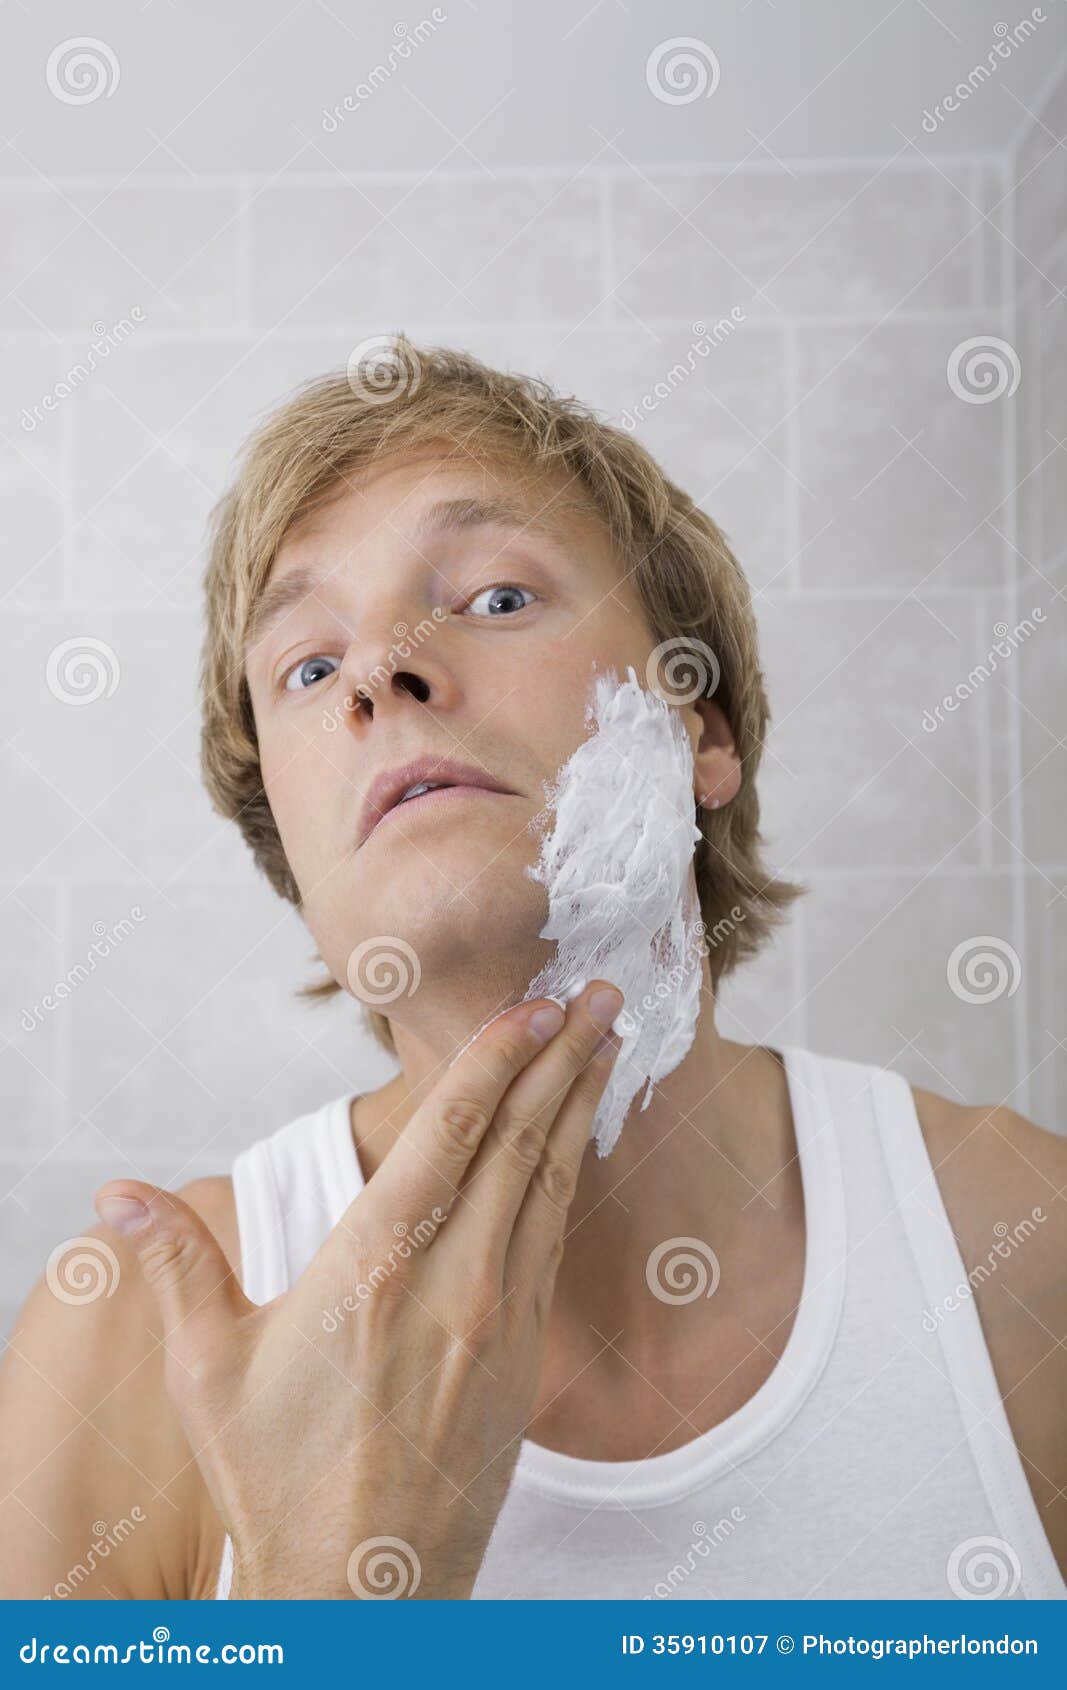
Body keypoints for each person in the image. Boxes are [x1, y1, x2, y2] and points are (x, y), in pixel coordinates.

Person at [1, 338, 1063, 1601]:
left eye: (496, 596)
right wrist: (330, 1601)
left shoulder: (1021, 1249)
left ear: (694, 722)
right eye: (308, 664)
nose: (379, 674)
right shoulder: (129, 1349)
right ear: (281, 836)